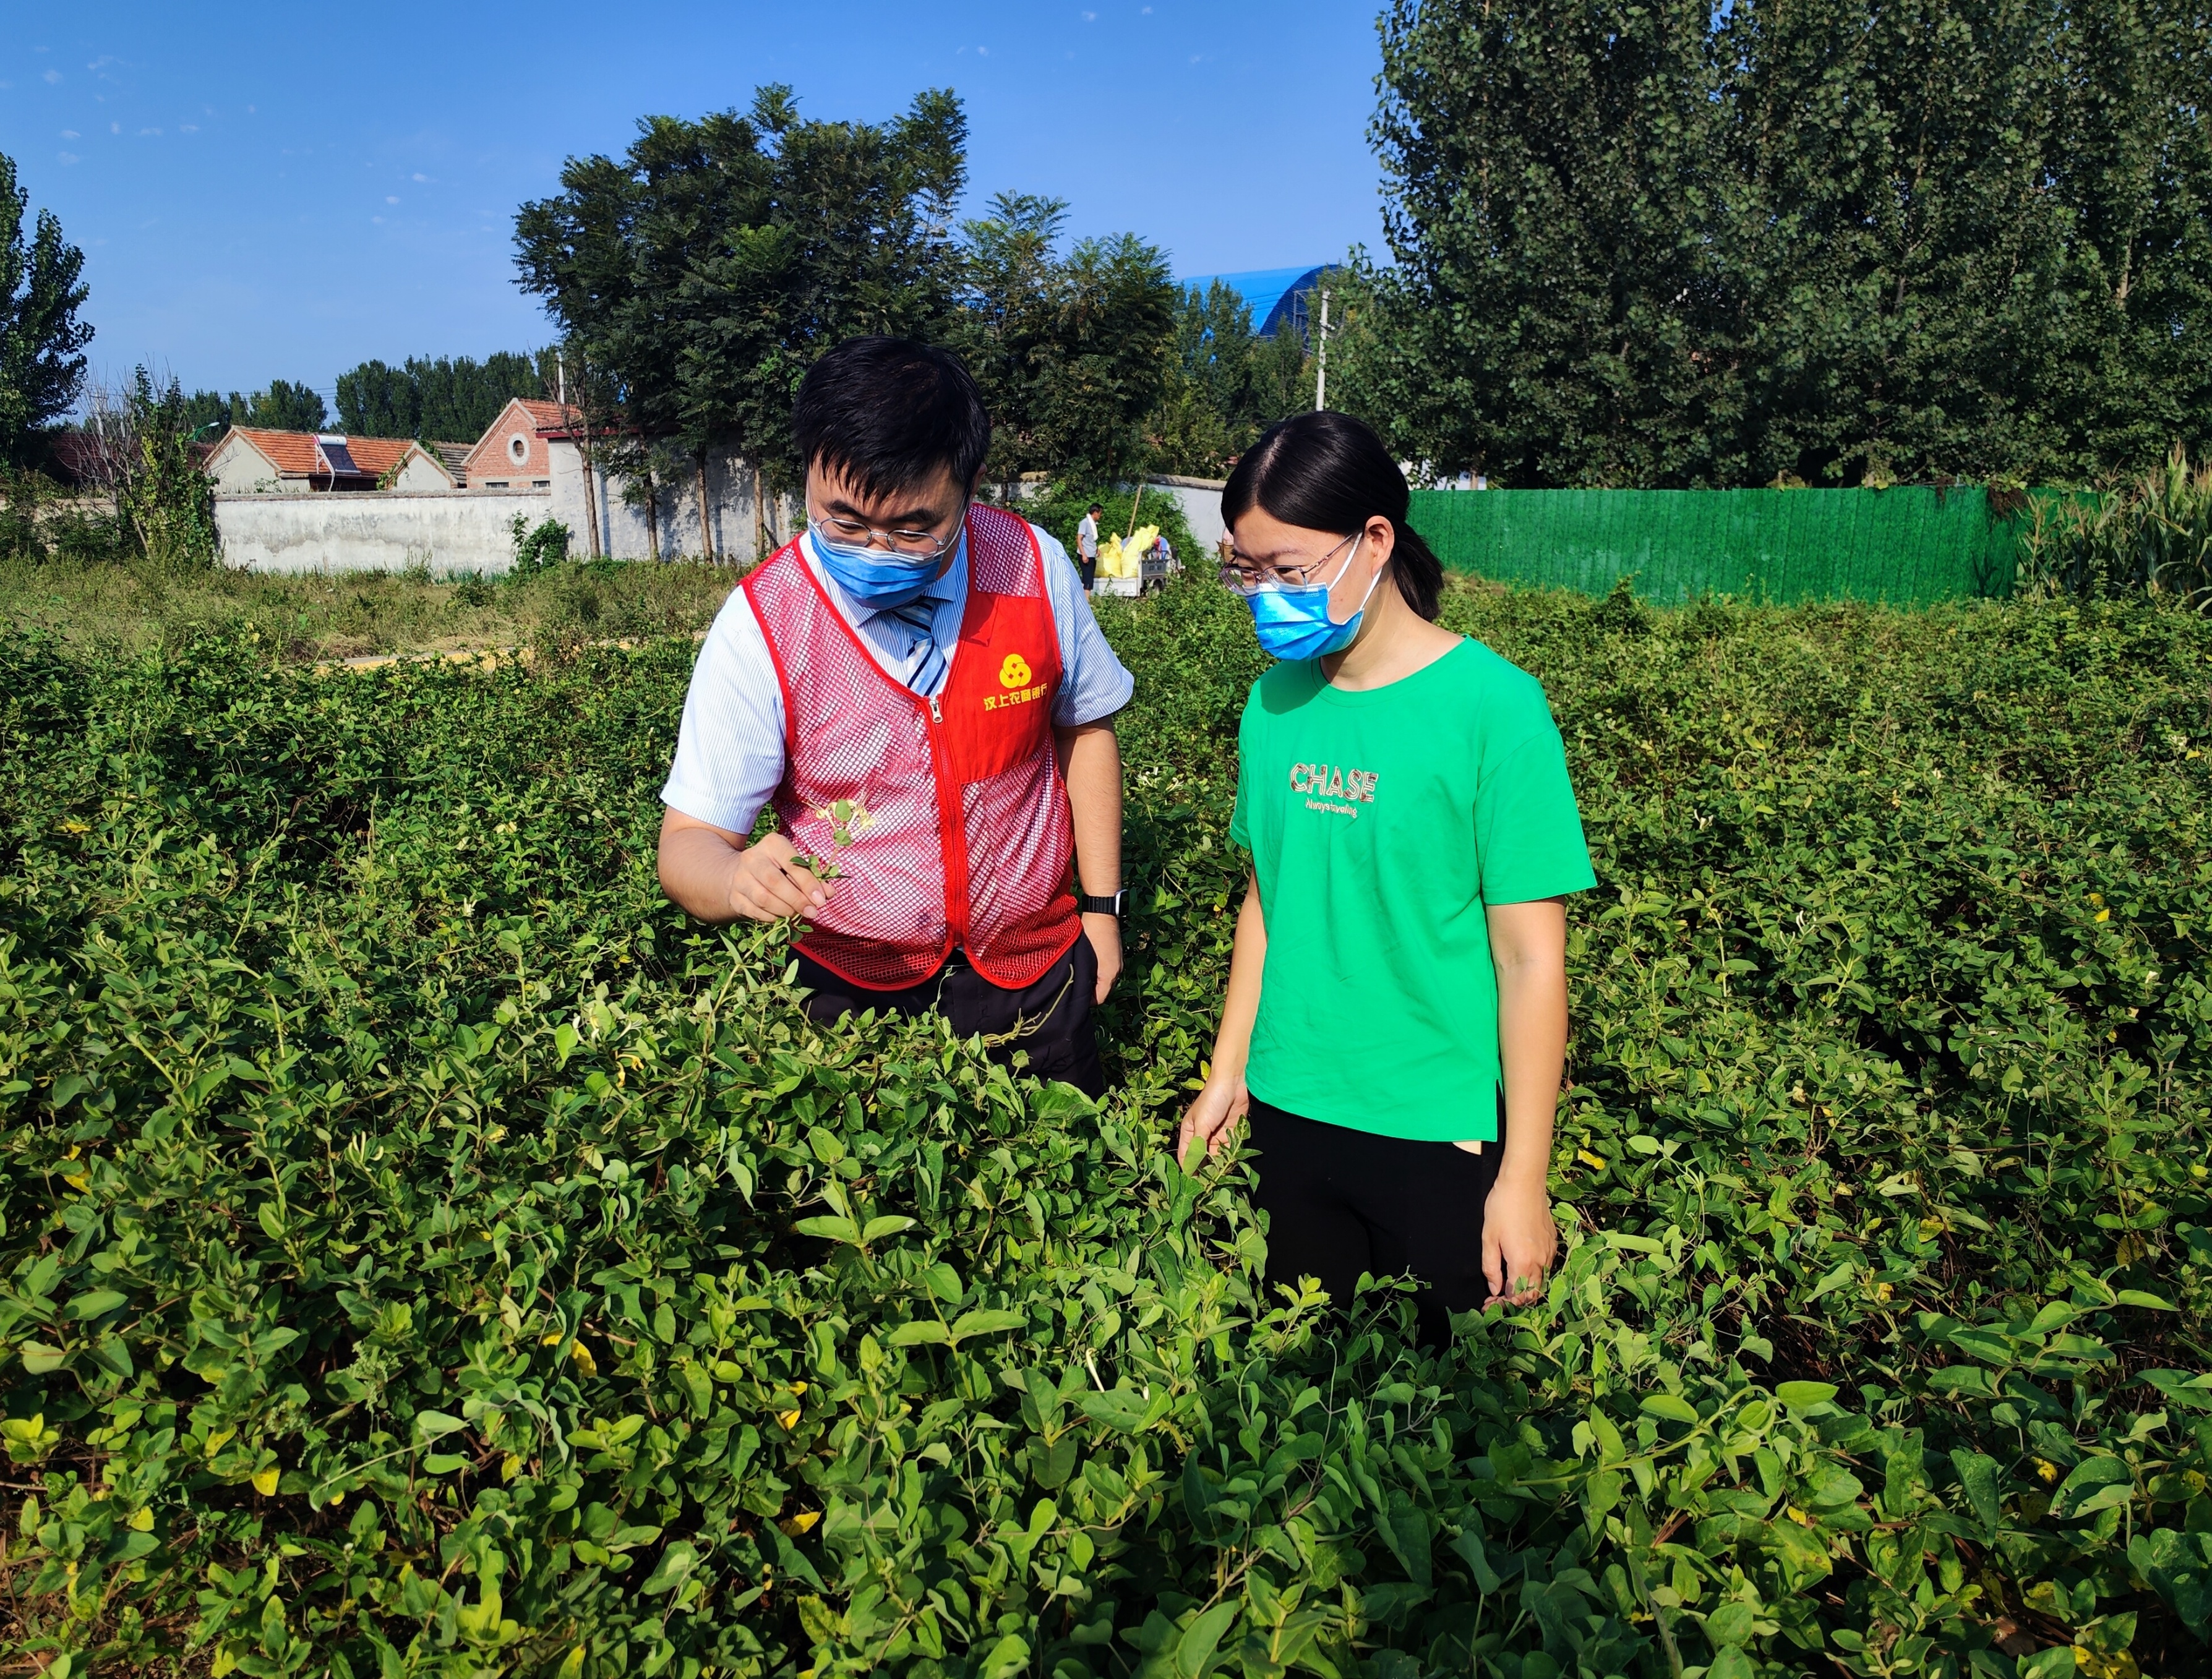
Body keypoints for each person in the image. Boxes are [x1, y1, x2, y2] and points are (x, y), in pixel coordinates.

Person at [1174, 411, 1594, 1344]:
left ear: (1375, 540)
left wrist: (1523, 1178)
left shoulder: (1495, 708)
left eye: (1289, 570)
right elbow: (1268, 899)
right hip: (1290, 1108)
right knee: (1304, 1405)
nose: (1265, 595)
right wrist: (1228, 1070)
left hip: (1435, 1127)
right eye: (1249, 571)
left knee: (1444, 1433)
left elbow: (1531, 962)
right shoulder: (1274, 699)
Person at [656, 337, 1134, 1093]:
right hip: (847, 997)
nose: (875, 549)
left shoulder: (1033, 567)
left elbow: (1084, 729)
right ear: (807, 471)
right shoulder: (762, 622)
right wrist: (733, 876)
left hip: (1033, 976)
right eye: (843, 520)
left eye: (914, 528)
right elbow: (687, 844)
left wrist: (1103, 910)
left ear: (970, 485)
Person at [1076, 504, 1102, 591]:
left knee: (1090, 578)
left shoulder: (1093, 524)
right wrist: (1083, 554)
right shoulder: (1085, 523)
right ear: (1095, 513)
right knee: (1088, 580)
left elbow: (1091, 539)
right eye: (1099, 513)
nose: (1100, 516)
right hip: (1085, 555)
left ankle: (1086, 599)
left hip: (1091, 555)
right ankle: (1086, 601)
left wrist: (1097, 549)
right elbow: (1079, 539)